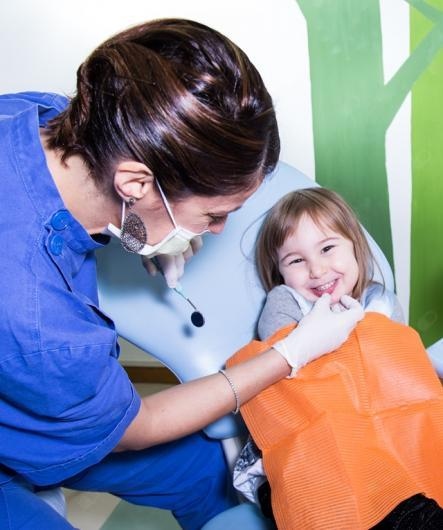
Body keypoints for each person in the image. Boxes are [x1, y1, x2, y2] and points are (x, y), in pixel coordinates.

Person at [0, 19, 365, 530]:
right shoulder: (39, 321)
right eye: (213, 215)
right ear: (136, 183)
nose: (217, 232)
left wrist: (138, 232)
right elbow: (138, 426)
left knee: (212, 475)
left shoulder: (39, 116)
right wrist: (291, 353)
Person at [229, 188, 443, 529]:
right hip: (315, 456)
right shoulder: (285, 302)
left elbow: (403, 374)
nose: (316, 269)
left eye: (327, 248)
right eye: (296, 261)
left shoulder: (380, 301)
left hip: (386, 437)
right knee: (383, 496)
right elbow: (287, 376)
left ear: (355, 246)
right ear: (279, 272)